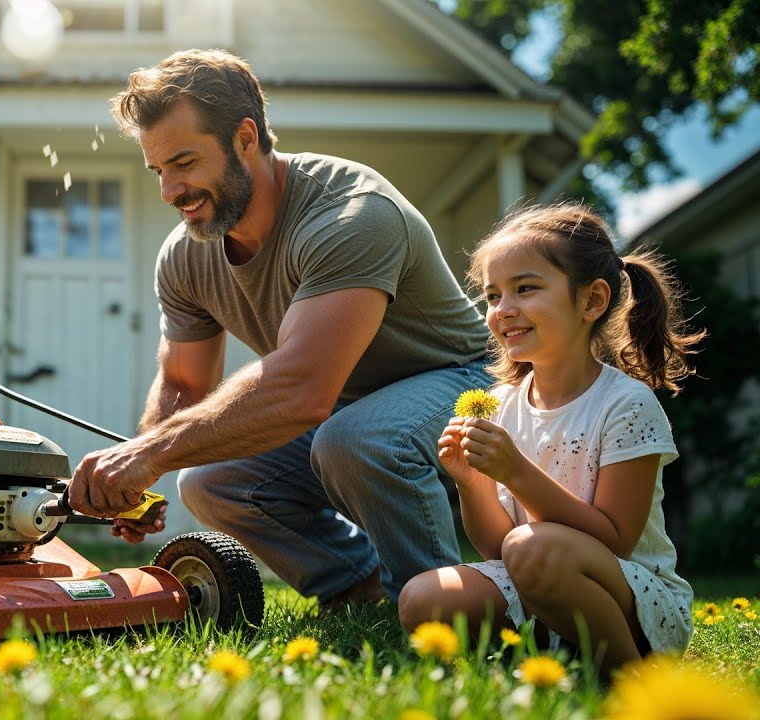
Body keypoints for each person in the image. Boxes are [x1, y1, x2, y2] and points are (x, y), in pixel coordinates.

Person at [68, 49, 492, 607]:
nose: (171, 191)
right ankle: (360, 595)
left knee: (357, 438)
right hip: (345, 405)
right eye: (159, 171)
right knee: (210, 480)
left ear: (245, 138)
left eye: (186, 163)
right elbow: (183, 385)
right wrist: (137, 471)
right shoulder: (186, 256)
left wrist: (150, 454)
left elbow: (301, 388)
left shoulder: (351, 214)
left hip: (467, 383)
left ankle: (441, 610)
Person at [397, 204, 702, 673]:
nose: (504, 310)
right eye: (492, 296)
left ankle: (631, 678)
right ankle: (559, 650)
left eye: (525, 288)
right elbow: (498, 549)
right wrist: (471, 481)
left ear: (592, 301)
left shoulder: (625, 403)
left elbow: (616, 539)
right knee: (421, 598)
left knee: (531, 547)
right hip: (535, 571)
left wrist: (516, 471)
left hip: (631, 593)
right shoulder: (501, 403)